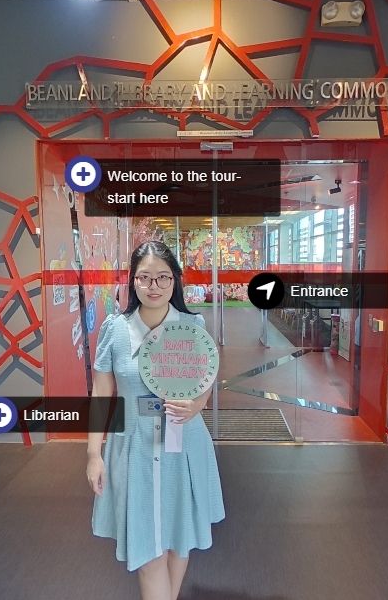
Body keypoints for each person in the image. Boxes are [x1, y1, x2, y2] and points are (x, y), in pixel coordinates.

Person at [86, 241, 226, 600]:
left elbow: (206, 375)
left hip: (185, 445)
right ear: (132, 281)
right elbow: (102, 391)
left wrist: (197, 405)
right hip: (133, 445)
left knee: (180, 541)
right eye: (144, 277)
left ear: (175, 281)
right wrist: (93, 454)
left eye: (163, 278)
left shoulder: (193, 325)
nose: (154, 286)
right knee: (148, 553)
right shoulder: (116, 329)